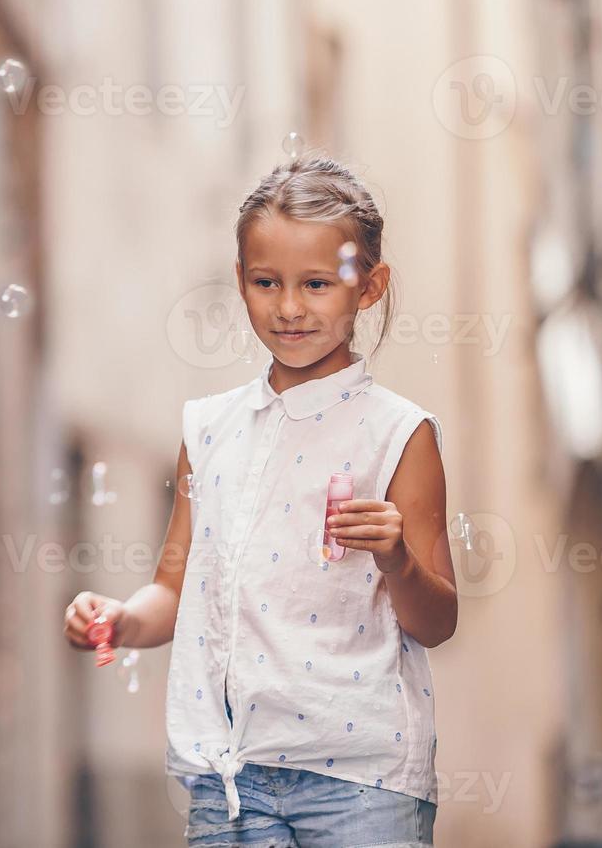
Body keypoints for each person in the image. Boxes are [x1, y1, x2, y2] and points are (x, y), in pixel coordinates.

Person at [63, 154, 458, 846]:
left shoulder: (400, 434)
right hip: (230, 779)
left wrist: (396, 558)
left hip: (364, 780)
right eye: (266, 282)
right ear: (241, 281)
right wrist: (123, 620)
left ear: (369, 287)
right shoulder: (209, 429)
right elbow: (174, 589)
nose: (290, 307)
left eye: (316, 283)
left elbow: (438, 620)